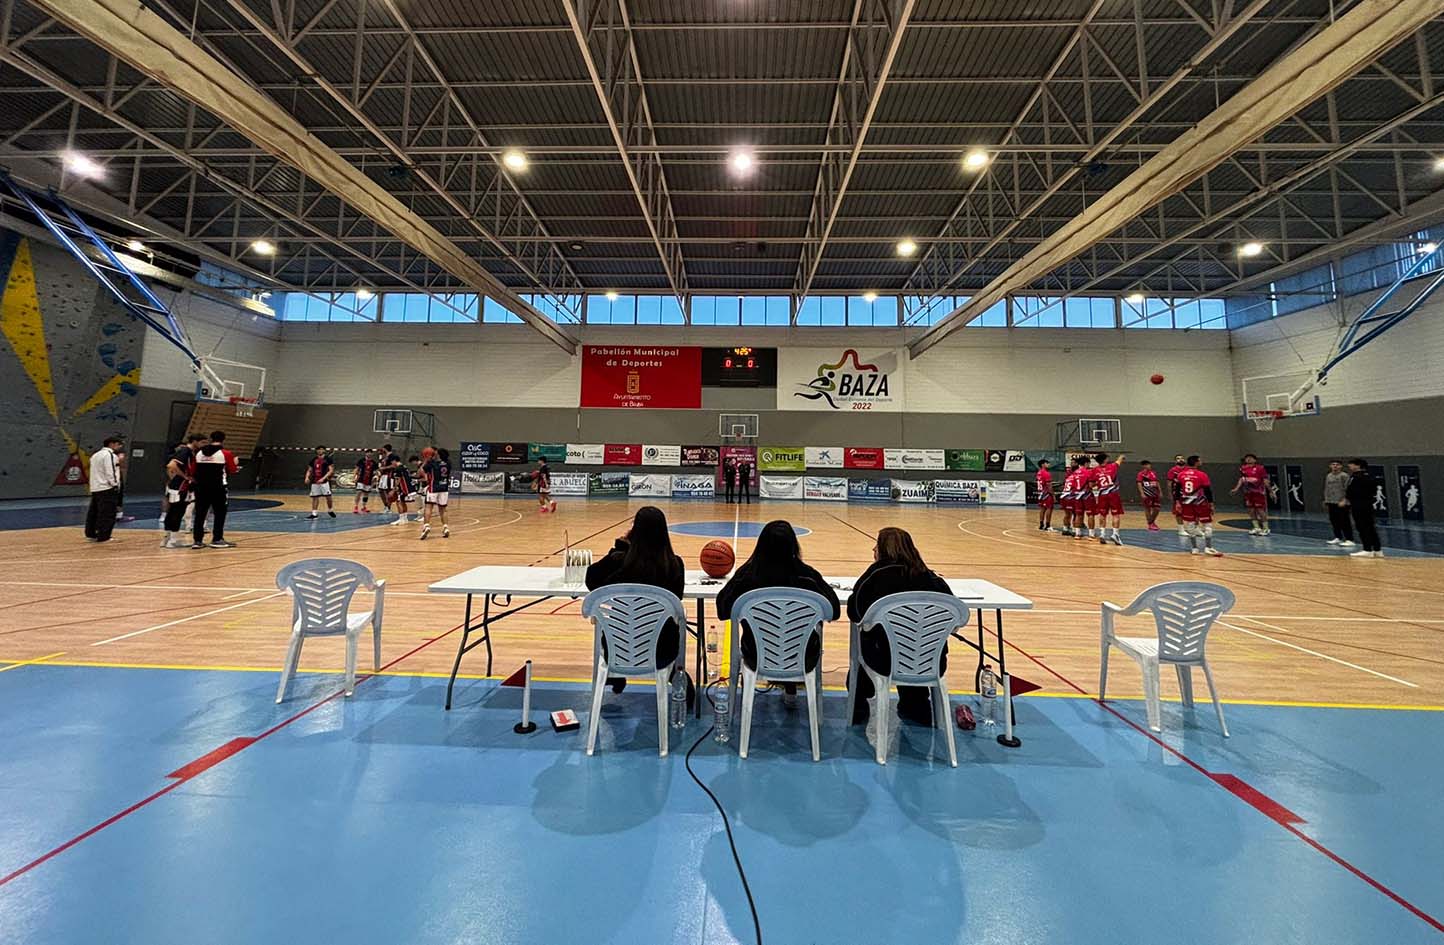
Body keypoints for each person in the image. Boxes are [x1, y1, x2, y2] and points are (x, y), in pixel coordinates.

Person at [716, 521, 841, 709]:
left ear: (761, 545)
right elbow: (834, 610)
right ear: (793, 545)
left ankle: (749, 693)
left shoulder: (747, 576)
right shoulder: (807, 576)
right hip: (803, 657)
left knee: (771, 634)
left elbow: (722, 609)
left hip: (756, 655)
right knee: (792, 634)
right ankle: (791, 689)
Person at [846, 527, 954, 726]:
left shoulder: (875, 575)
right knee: (912, 642)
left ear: (883, 549)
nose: (873, 549)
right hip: (931, 661)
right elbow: (952, 620)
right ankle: (916, 704)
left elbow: (855, 612)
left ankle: (858, 704)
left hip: (884, 660)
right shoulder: (931, 578)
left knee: (868, 640)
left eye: (876, 545)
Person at [585, 506, 687, 694]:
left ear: (634, 532)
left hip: (618, 649)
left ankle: (614, 674)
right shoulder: (675, 564)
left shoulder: (618, 562)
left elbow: (591, 580)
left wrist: (620, 547)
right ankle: (676, 675)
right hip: (662, 650)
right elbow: (676, 597)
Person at [190, 431, 238, 549]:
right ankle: (217, 539)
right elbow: (232, 469)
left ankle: (197, 541)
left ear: (211, 439)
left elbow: (193, 470)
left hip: (201, 487)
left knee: (200, 514)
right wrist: (235, 463)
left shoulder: (199, 453)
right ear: (223, 439)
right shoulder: (225, 453)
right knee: (219, 513)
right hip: (218, 487)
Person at [161, 433, 205, 549]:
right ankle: (172, 540)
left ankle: (167, 539)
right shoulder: (185, 451)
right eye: (202, 442)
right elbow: (171, 465)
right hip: (181, 486)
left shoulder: (190, 452)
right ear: (194, 441)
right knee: (178, 512)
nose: (203, 445)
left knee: (173, 511)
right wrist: (184, 477)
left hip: (177, 485)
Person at [1175, 455, 1221, 557]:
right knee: (1207, 524)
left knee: (1190, 525)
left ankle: (1194, 548)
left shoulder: (1181, 474)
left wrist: (1177, 502)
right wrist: (1211, 503)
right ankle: (1208, 547)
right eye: (1200, 460)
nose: (1201, 462)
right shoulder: (1202, 475)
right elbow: (1207, 490)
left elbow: (1177, 490)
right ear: (1196, 462)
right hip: (1200, 502)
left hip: (1186, 502)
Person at [84, 435, 124, 542]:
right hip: (107, 487)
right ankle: (104, 535)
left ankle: (91, 533)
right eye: (118, 444)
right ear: (112, 444)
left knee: (94, 512)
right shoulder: (109, 455)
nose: (119, 447)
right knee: (107, 513)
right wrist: (115, 485)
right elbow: (110, 471)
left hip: (96, 487)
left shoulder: (95, 455)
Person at [1345, 459, 1383, 558]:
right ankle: (1377, 549)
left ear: (1358, 466)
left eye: (1351, 465)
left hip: (1359, 504)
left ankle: (1367, 549)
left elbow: (1351, 490)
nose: (1350, 466)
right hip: (1368, 504)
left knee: (1362, 527)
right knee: (1371, 527)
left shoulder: (1356, 477)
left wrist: (1348, 499)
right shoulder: (1370, 476)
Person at [1231, 453, 1274, 535]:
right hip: (1248, 493)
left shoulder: (1260, 468)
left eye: (1251, 458)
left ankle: (1266, 528)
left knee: (1260, 510)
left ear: (1255, 460)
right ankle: (1256, 527)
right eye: (1247, 458)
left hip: (1258, 492)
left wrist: (1270, 491)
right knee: (1251, 510)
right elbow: (1242, 479)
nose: (1248, 459)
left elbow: (1265, 480)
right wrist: (1236, 488)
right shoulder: (1243, 468)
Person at [1092, 451, 1127, 545]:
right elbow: (1119, 460)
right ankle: (1115, 534)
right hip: (1113, 494)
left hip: (1102, 494)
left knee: (1102, 514)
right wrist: (1122, 456)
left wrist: (1099, 482)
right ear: (1105, 459)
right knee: (1116, 514)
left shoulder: (1095, 470)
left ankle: (1102, 534)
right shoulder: (1112, 466)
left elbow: (1091, 484)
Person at [418, 447, 451, 540]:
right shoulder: (448, 463)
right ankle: (445, 527)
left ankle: (426, 526)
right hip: (444, 488)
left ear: (439, 455)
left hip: (433, 488)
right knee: (443, 509)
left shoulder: (432, 463)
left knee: (428, 507)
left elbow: (420, 472)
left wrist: (426, 460)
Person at [1323, 460, 1355, 547]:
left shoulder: (1344, 476)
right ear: (1330, 466)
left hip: (1341, 502)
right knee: (1334, 520)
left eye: (1337, 465)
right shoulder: (1329, 476)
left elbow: (1348, 489)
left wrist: (1345, 499)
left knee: (1344, 521)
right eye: (1333, 464)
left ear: (1341, 466)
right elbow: (1327, 488)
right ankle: (1338, 537)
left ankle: (1349, 539)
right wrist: (1326, 499)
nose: (1335, 466)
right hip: (1331, 501)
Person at [304, 446, 336, 519]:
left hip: (324, 482)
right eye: (319, 449)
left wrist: (323, 478)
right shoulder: (313, 460)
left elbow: (331, 470)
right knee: (315, 497)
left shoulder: (328, 459)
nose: (320, 451)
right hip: (315, 482)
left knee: (328, 497)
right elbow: (309, 470)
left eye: (322, 449)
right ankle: (314, 513)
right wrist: (307, 477)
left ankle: (330, 510)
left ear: (324, 451)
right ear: (316, 451)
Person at [1136, 459, 1163, 531]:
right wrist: (1142, 493)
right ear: (1143, 466)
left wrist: (1160, 491)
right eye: (1146, 465)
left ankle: (1151, 522)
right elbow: (1139, 484)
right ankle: (1151, 524)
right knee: (1147, 509)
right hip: (1147, 494)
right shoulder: (1141, 474)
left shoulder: (1153, 473)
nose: (1148, 466)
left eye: (1149, 464)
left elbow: (1157, 482)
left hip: (1155, 494)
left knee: (1157, 508)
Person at [1167, 454, 1189, 536]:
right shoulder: (1172, 470)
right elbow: (1169, 483)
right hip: (1177, 494)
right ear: (1175, 461)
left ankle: (1192, 528)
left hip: (1188, 493)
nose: (1180, 459)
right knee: (1178, 511)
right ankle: (1181, 530)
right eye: (1178, 458)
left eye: (1182, 458)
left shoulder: (1188, 469)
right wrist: (1170, 494)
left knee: (1191, 511)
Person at [353, 448, 380, 514]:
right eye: (368, 452)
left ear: (372, 454)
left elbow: (376, 471)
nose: (369, 454)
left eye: (370, 453)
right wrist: (354, 477)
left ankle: (364, 507)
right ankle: (356, 506)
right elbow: (357, 469)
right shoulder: (361, 461)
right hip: (361, 479)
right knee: (359, 492)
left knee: (366, 494)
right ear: (366, 453)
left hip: (369, 480)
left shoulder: (374, 462)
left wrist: (377, 477)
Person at [1034, 459, 1055, 532]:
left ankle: (1041, 524)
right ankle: (1048, 526)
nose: (1048, 464)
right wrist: (1053, 495)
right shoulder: (1046, 473)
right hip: (1046, 494)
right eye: (1047, 463)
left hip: (1040, 493)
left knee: (1042, 509)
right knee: (1049, 508)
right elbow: (1049, 486)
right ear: (1042, 464)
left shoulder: (1038, 473)